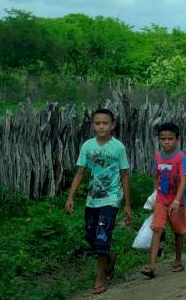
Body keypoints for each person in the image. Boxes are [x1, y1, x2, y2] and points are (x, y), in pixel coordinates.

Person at [65, 108, 131, 295]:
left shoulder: (118, 147)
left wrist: (126, 203)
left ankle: (99, 279)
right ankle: (110, 256)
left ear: (113, 125)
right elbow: (80, 172)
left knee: (102, 238)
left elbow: (124, 175)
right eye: (97, 123)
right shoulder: (87, 146)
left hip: (111, 198)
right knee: (90, 237)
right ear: (93, 125)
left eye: (105, 123)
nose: (101, 126)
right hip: (92, 199)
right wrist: (70, 197)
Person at [140, 122, 186, 278]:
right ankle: (152, 266)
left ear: (177, 139)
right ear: (159, 139)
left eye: (170, 138)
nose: (166, 142)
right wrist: (155, 196)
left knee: (178, 230)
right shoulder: (158, 156)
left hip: (177, 201)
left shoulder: (181, 158)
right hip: (161, 199)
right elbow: (156, 177)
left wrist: (176, 201)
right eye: (163, 139)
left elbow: (184, 180)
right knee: (157, 228)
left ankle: (178, 260)